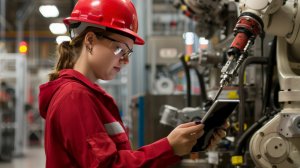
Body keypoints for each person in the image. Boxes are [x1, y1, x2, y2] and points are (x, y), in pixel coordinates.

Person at [39, 0, 227, 167]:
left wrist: (183, 145)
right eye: (119, 49)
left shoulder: (86, 95)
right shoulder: (74, 96)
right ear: (90, 41)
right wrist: (169, 147)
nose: (125, 60)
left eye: (128, 53)